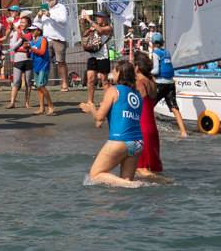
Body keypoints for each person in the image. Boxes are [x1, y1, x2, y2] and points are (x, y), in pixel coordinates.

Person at [79, 61, 145, 188]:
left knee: (95, 175)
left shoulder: (113, 90)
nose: (112, 74)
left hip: (120, 140)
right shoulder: (137, 95)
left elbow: (99, 117)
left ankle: (134, 184)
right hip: (137, 143)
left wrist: (91, 108)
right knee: (125, 185)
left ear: (120, 73)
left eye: (114, 71)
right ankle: (129, 188)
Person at [132, 52, 171, 183]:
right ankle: (160, 180)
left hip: (141, 127)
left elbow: (133, 105)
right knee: (151, 168)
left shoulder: (139, 83)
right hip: (152, 127)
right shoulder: (152, 82)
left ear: (137, 67)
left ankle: (165, 181)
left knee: (141, 170)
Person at [148, 32, 187, 137]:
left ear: (153, 43)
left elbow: (156, 70)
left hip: (160, 84)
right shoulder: (167, 52)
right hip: (170, 83)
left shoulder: (156, 53)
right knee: (174, 108)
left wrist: (148, 72)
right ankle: (183, 132)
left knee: (149, 106)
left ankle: (149, 128)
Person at [80, 10, 113, 105]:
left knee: (104, 81)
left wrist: (89, 20)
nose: (97, 18)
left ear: (105, 18)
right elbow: (84, 34)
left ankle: (107, 102)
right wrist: (83, 23)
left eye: (100, 16)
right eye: (97, 16)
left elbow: (101, 30)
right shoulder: (94, 26)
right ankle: (90, 101)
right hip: (92, 56)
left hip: (103, 56)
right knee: (90, 79)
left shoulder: (109, 28)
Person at [40, 0, 70, 91]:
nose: (49, 0)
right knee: (44, 61)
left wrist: (50, 15)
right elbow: (40, 23)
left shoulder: (61, 7)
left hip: (58, 39)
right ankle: (42, 82)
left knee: (60, 62)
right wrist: (39, 16)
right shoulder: (45, 8)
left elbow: (63, 20)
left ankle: (65, 83)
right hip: (46, 39)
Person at [27, 22, 55, 116]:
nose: (31, 32)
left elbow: (42, 51)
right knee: (39, 88)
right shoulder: (32, 41)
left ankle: (50, 106)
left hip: (43, 65)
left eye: (33, 30)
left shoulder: (43, 39)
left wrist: (31, 48)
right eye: (30, 30)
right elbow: (30, 54)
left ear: (39, 30)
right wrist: (27, 49)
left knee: (40, 86)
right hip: (36, 65)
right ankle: (41, 108)